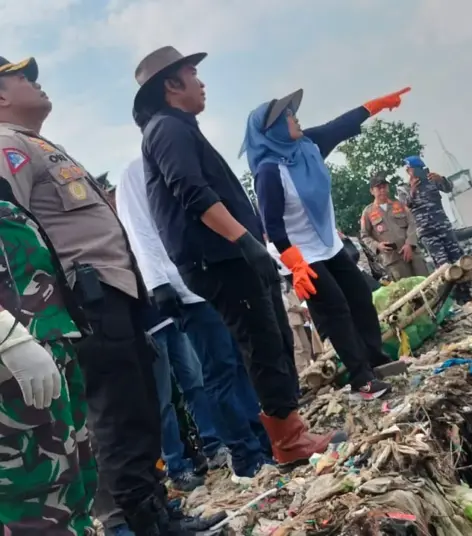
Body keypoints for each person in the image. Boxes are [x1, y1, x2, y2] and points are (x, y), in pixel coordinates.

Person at [0, 54, 220, 534]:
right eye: (22, 77)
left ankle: (156, 511)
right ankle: (134, 523)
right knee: (118, 419)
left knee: (139, 408)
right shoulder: (6, 146)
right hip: (85, 301)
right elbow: (11, 233)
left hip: (115, 293)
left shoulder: (40, 145)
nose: (36, 84)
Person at [134, 46, 343, 467]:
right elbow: (191, 192)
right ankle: (287, 442)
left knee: (275, 339)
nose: (201, 82)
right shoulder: (166, 130)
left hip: (230, 256)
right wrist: (243, 241)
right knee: (260, 343)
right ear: (172, 85)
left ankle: (290, 432)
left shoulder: (180, 128)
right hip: (219, 258)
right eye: (192, 74)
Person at [242, 87, 411, 399]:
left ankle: (375, 359)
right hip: (295, 251)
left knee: (360, 296)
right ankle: (361, 380)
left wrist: (375, 105)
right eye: (289, 115)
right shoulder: (268, 172)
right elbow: (273, 228)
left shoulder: (307, 146)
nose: (295, 118)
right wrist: (296, 266)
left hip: (326, 242)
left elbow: (340, 126)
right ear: (273, 129)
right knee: (334, 307)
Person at [116, 155, 272, 481]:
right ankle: (245, 456)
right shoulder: (135, 172)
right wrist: (158, 282)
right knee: (219, 372)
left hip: (217, 279)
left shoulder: (182, 163)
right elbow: (139, 230)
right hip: (186, 286)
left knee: (242, 363)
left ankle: (263, 440)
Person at [0, 180, 95, 534]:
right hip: (11, 363)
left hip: (45, 339)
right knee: (34, 505)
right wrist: (5, 336)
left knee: (75, 485)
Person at [400, 156, 472, 304]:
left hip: (443, 227)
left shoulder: (432, 180)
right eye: (409, 170)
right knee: (444, 265)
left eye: (413, 169)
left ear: (420, 169)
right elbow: (405, 207)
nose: (411, 172)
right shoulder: (404, 189)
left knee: (457, 259)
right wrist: (413, 190)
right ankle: (454, 297)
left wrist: (441, 179)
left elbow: (449, 188)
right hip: (427, 233)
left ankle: (467, 293)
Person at [361, 172, 429, 282]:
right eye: (378, 188)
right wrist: (378, 245)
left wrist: (409, 244)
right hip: (393, 259)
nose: (382, 190)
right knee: (407, 292)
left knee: (427, 284)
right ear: (372, 191)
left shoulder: (399, 205)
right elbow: (364, 236)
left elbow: (412, 223)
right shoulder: (368, 212)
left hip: (413, 253)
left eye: (384, 187)